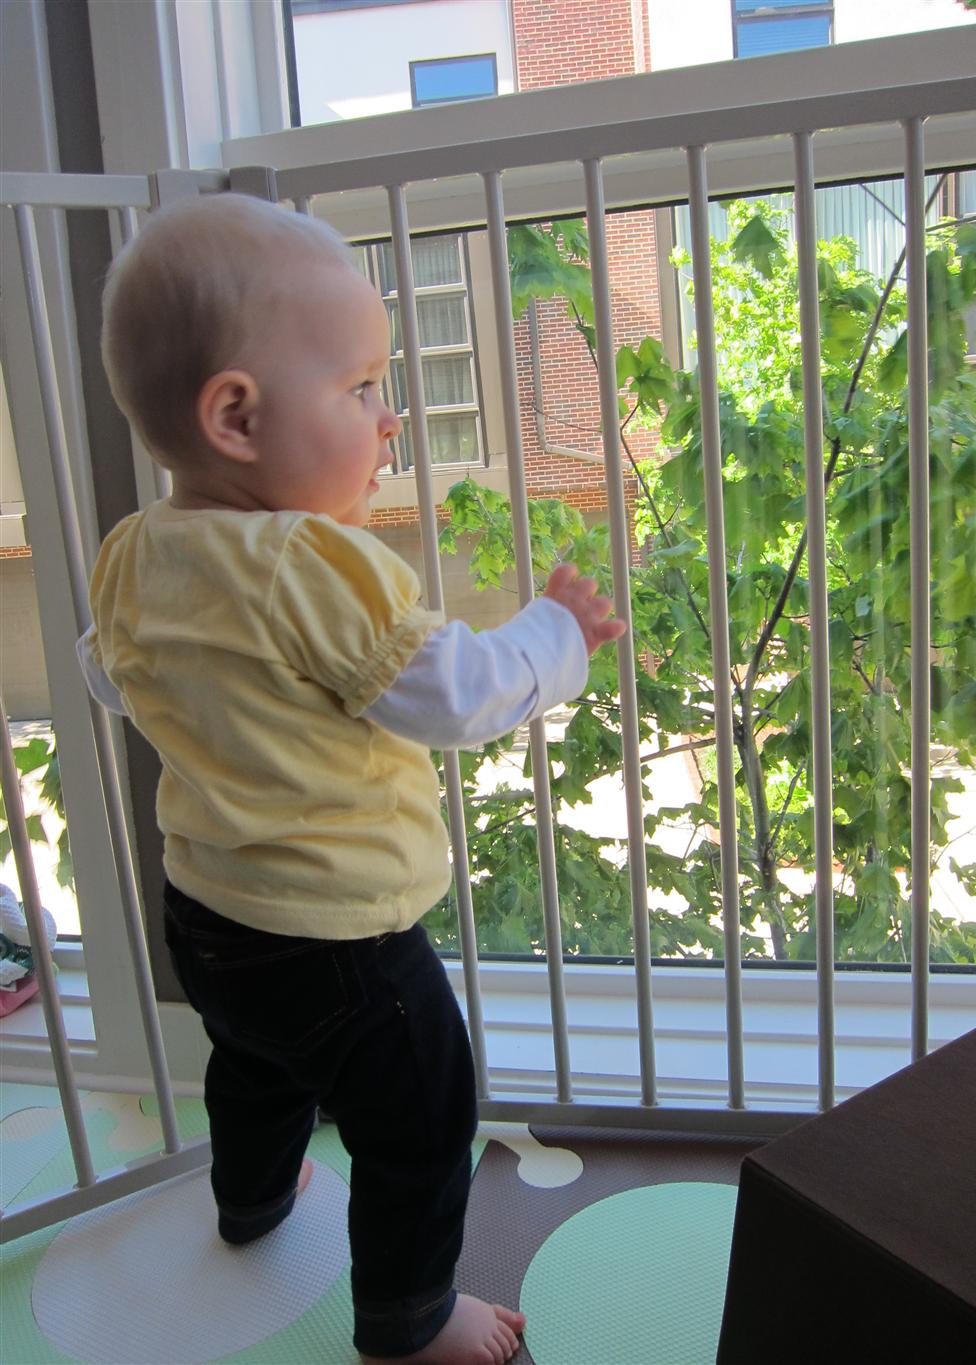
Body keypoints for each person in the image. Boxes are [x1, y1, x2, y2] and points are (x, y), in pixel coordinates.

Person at [82, 192, 625, 1365]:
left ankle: (249, 1201)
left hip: (209, 916)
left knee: (257, 1065)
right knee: (422, 1119)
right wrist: (555, 634)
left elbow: (113, 678)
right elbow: (454, 694)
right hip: (342, 938)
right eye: (363, 386)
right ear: (236, 416)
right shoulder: (310, 562)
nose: (390, 420)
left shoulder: (132, 552)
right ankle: (409, 1322)